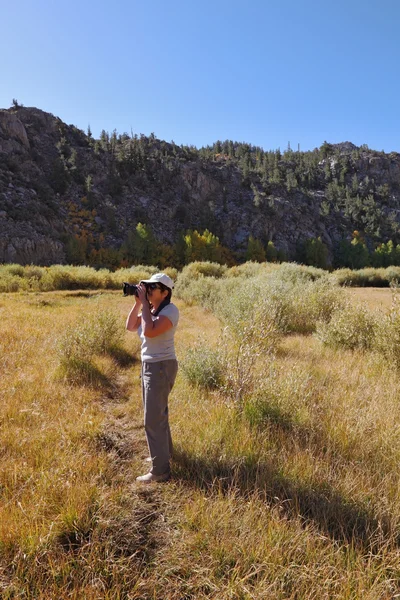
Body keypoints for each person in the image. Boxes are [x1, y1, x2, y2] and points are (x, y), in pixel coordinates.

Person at [126, 273, 179, 483]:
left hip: (160, 366)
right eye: (145, 286)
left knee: (152, 419)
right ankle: (164, 456)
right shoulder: (153, 309)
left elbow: (149, 331)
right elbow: (130, 326)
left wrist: (145, 307)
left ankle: (160, 471)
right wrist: (139, 304)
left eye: (152, 287)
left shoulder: (170, 310)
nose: (147, 290)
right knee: (159, 415)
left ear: (165, 292)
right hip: (150, 365)